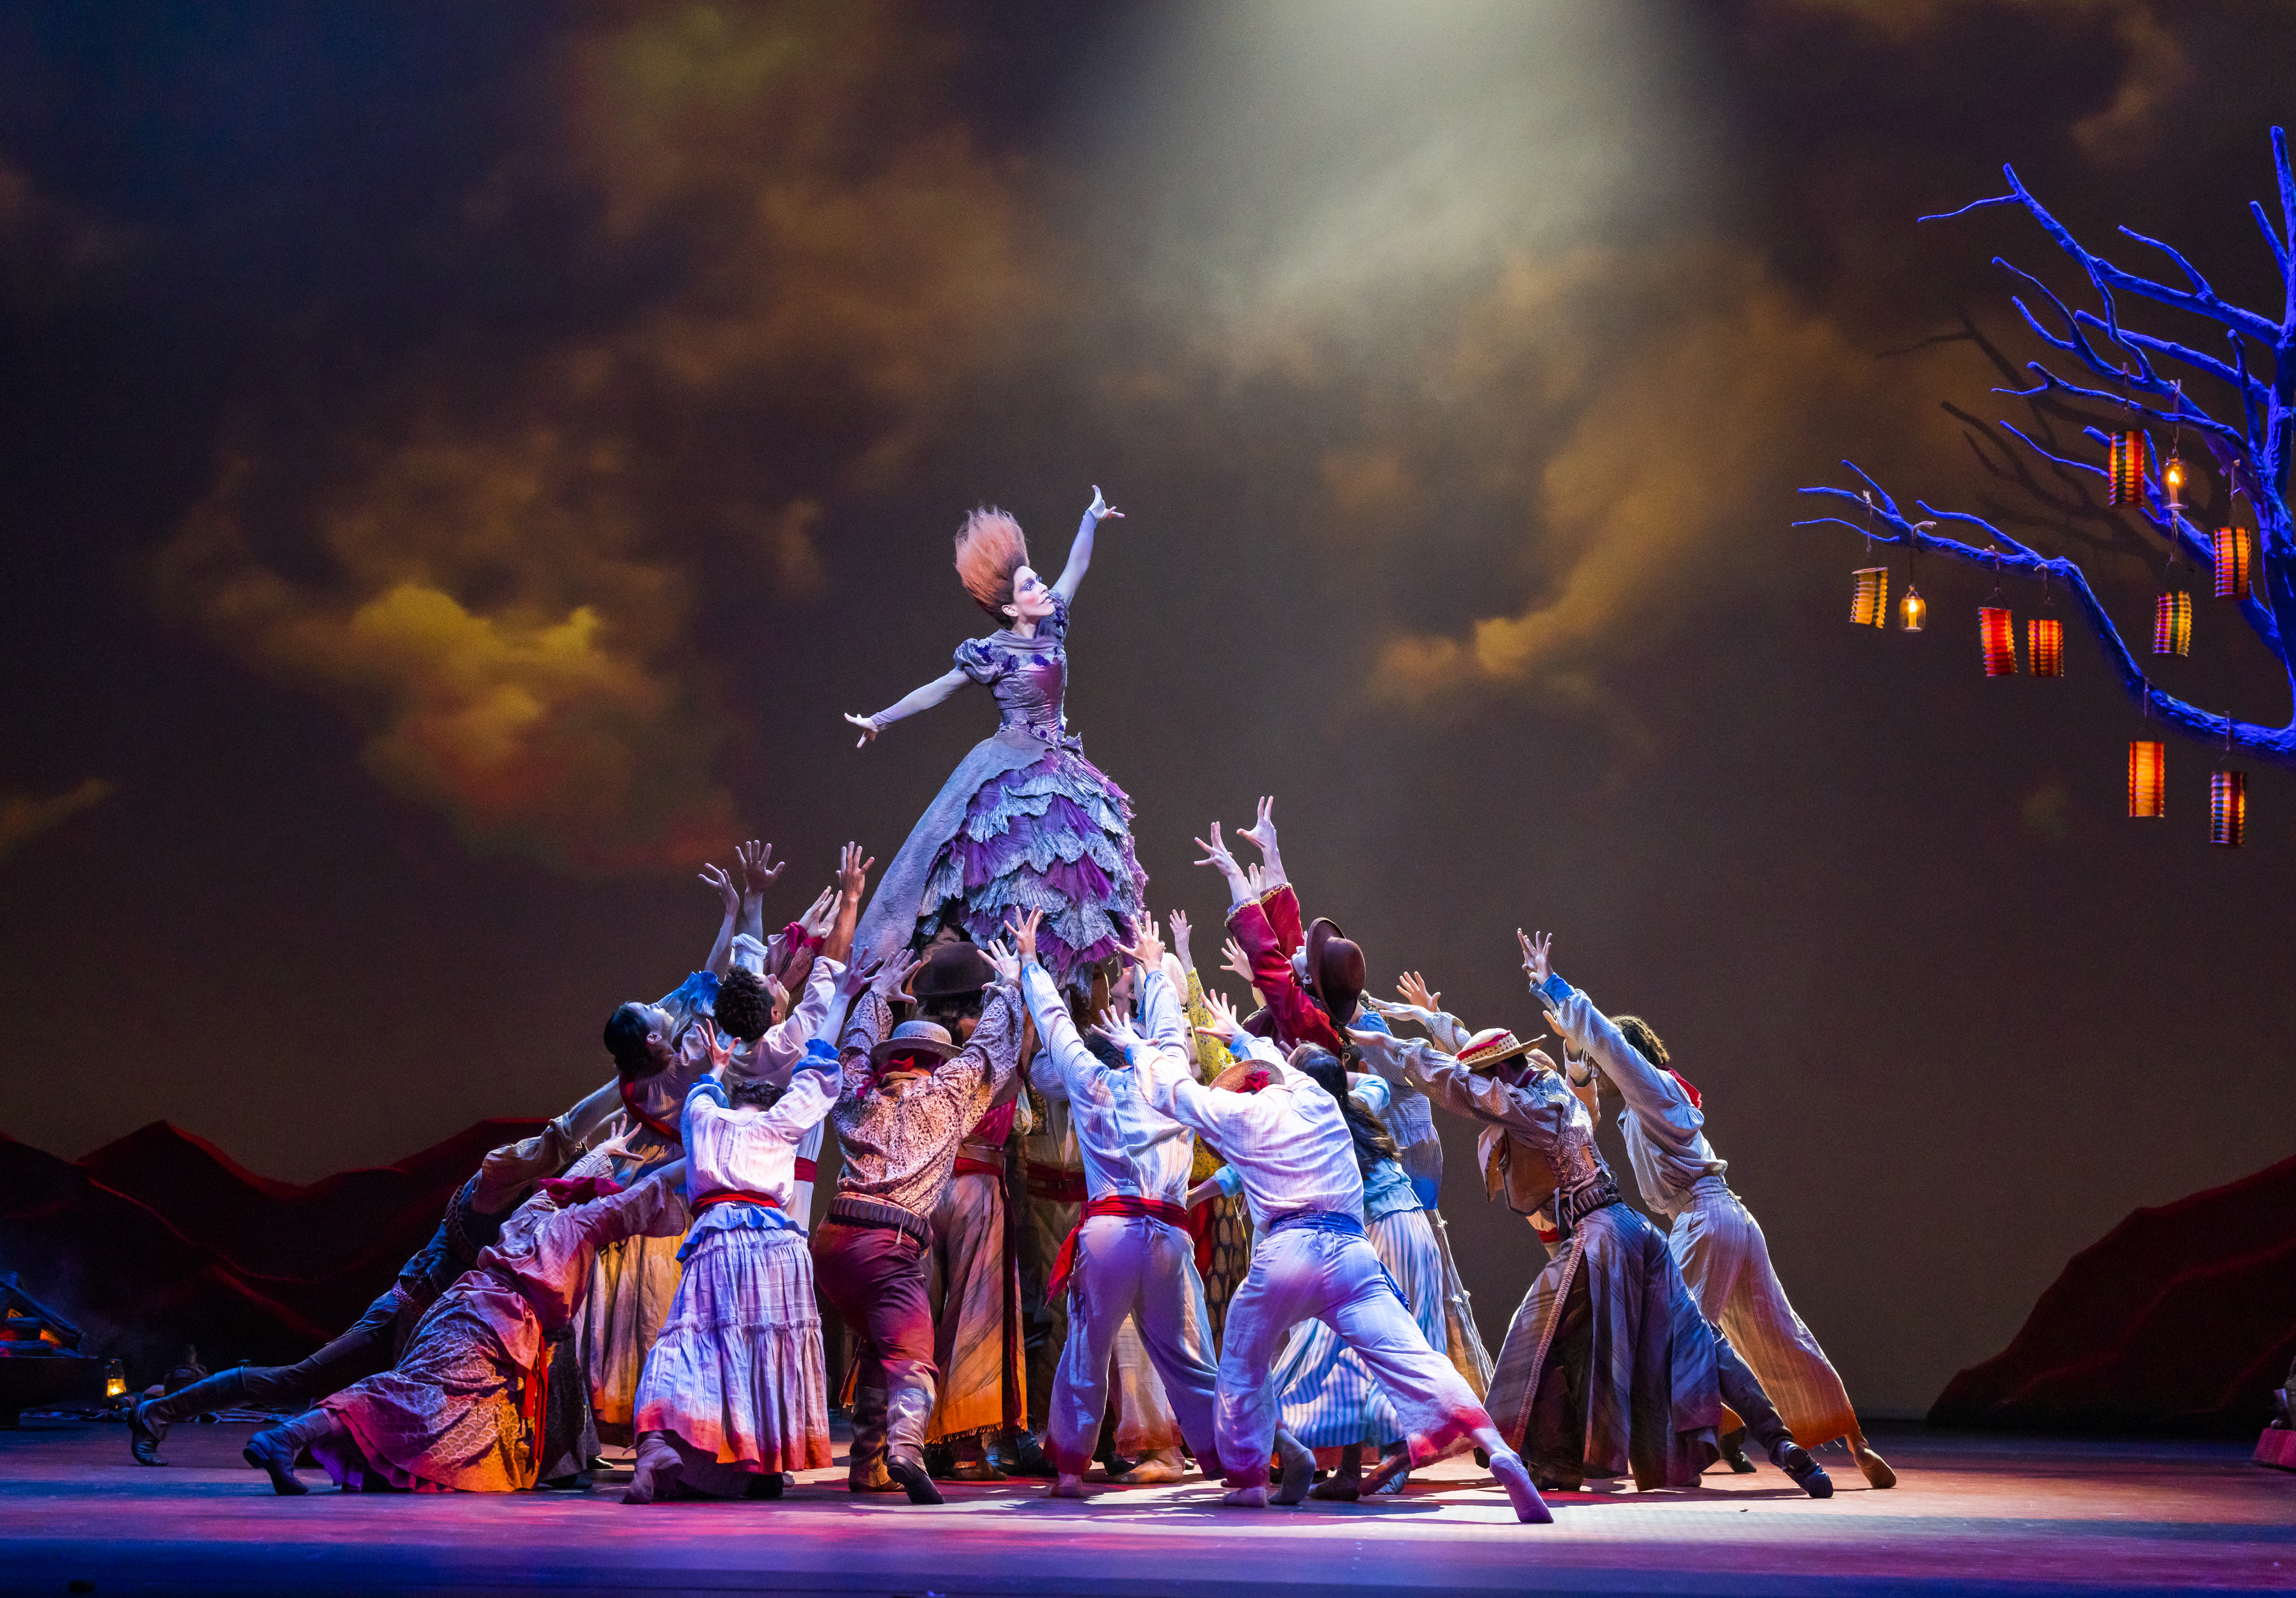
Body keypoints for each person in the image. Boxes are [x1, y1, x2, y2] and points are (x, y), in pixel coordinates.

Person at [1344, 933, 1835, 1502]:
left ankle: (1544, 1457)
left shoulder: (1524, 1106)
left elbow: (1460, 1082)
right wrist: (1437, 1021)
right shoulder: (1549, 1085)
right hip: (1637, 1231)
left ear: (1498, 1074)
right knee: (1700, 1339)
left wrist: (1391, 1045)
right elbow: (1476, 1064)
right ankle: (1783, 1445)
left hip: (1598, 1236)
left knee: (1535, 1337)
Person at [1121, 993, 1551, 1523]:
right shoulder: (1322, 1100)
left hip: (1290, 1251)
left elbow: (1174, 1091)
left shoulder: (1240, 1114)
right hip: (1353, 1252)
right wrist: (1243, 1039)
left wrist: (1139, 1050)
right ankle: (1498, 1449)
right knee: (1416, 1359)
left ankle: (1249, 1478)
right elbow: (1287, 1066)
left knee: (1243, 1361)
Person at [1528, 933, 1895, 1489]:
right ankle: (1851, 1441)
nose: (1603, 1072)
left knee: (1669, 1338)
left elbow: (1608, 1046)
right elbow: (1587, 1103)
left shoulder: (1651, 1089)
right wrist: (1575, 1050)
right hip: (1734, 1218)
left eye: (1606, 1065)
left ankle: (1687, 1451)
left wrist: (1555, 988)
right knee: (1777, 1332)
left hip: (1702, 1221)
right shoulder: (1657, 1100)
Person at [127, 1124, 583, 1467]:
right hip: (402, 1315)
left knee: (366, 1405)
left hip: (430, 1332)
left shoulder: (525, 1215)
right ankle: (159, 1412)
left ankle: (304, 1444)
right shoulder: (487, 1194)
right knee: (299, 1378)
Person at [239, 1160, 691, 1495]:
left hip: (461, 1308)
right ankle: (288, 1435)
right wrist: (698, 1149)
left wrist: (603, 1154)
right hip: (491, 1323)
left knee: (452, 1417)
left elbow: (577, 1182)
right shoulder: (582, 1222)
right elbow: (649, 1190)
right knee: (415, 1396)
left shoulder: (536, 1209)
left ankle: (350, 1457)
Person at [843, 489, 1145, 986]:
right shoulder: (992, 653)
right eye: (1030, 584)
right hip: (1013, 764)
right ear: (1009, 606)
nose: (1043, 587)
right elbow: (937, 690)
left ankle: (1064, 986)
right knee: (1010, 872)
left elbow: (1076, 566)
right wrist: (880, 719)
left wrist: (1090, 519)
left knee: (1072, 872)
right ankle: (1001, 978)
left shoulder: (1053, 621)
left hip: (1061, 762)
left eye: (1037, 579)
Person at [623, 959, 877, 1504]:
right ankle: (758, 1457)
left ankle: (660, 1444)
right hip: (775, 1247)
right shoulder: (779, 1125)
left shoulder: (703, 1119)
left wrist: (717, 1067)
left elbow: (704, 1090)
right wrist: (841, 997)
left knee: (690, 1343)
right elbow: (818, 1064)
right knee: (766, 1353)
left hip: (718, 1238)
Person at [1008, 907, 1223, 1499]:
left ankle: (1070, 1470)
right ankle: (1238, 1467)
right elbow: (1170, 1032)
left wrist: (1030, 964)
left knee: (1087, 1350)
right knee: (1187, 1360)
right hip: (1168, 1235)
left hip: (1111, 1233)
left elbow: (1056, 1027)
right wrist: (1153, 967)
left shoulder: (1091, 1082)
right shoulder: (1170, 1079)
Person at [814, 937, 1026, 1503]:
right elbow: (986, 1051)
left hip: (832, 1242)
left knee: (877, 1346)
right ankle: (906, 1450)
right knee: (912, 1359)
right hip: (888, 1245)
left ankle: (868, 1464)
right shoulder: (943, 1098)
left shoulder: (859, 1094)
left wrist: (877, 996)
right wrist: (1010, 986)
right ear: (937, 1063)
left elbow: (850, 1049)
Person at [1230, 1048, 1445, 1500]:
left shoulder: (1309, 1126)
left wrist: (1191, 1197)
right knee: (1381, 1346)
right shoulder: (1357, 1105)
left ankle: (1388, 1455)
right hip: (1412, 1228)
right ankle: (1357, 1467)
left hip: (1379, 1233)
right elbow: (1377, 1083)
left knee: (1351, 1349)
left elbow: (1237, 1173)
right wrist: (1326, 1071)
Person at [910, 937, 1030, 1480]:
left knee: (916, 1312)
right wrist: (1018, 979)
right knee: (975, 1312)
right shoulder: (993, 1043)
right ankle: (964, 1449)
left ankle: (907, 1440)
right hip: (976, 1187)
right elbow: (1022, 1057)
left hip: (922, 1187)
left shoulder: (915, 1046)